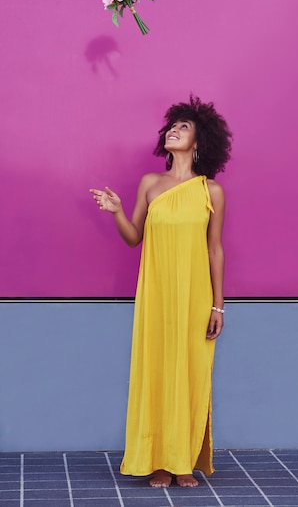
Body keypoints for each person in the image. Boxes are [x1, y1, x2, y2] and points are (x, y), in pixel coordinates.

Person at [90, 95, 232, 488]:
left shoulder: (211, 192)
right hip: (155, 295)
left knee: (189, 372)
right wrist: (118, 210)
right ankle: (159, 462)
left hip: (194, 296)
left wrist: (219, 307)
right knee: (156, 370)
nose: (174, 130)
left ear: (199, 141)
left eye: (184, 127)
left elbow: (215, 249)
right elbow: (133, 238)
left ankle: (183, 459)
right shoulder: (150, 184)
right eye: (172, 126)